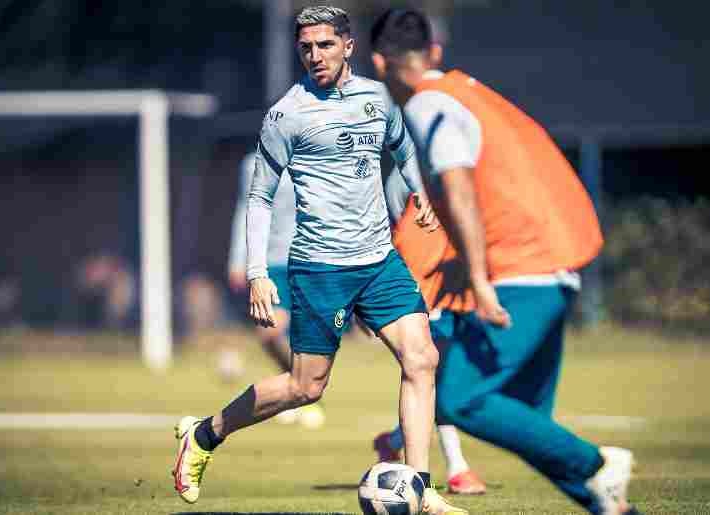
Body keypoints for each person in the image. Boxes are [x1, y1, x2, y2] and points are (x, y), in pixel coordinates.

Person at [171, 7, 466, 514]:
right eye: (306, 47)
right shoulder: (286, 115)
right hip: (320, 267)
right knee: (305, 388)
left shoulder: (379, 98)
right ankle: (204, 434)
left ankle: (420, 487)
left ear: (348, 46)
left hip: (378, 261)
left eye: (325, 45)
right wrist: (258, 272)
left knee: (422, 358)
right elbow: (260, 197)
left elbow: (403, 149)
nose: (315, 55)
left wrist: (419, 195)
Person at [369, 9, 640, 515]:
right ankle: (611, 506)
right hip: (556, 266)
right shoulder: (471, 93)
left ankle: (598, 465)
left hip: (522, 268)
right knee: (530, 420)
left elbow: (459, 186)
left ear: (380, 62)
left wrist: (477, 277)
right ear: (435, 53)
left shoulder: (429, 105)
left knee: (461, 399)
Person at [372, 170, 487, 496]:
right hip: (420, 285)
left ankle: (393, 440)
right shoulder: (403, 173)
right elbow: (393, 228)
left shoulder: (464, 161)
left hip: (457, 282)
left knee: (449, 376)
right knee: (437, 375)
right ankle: (457, 468)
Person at [227, 150, 325, 428]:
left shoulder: (315, 155)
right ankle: (296, 386)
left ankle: (300, 390)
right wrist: (238, 258)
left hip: (308, 257)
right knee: (269, 334)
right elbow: (245, 210)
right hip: (270, 262)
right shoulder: (252, 164)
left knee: (301, 333)